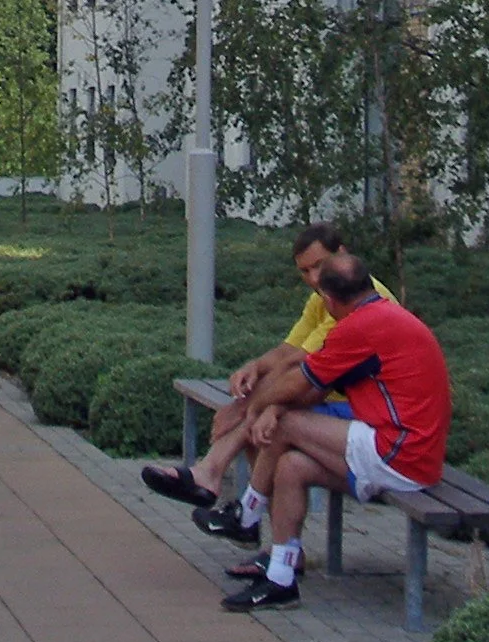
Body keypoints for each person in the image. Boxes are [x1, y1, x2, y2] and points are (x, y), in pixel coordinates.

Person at [139, 223, 395, 546]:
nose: (314, 279)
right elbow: (289, 350)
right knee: (262, 427)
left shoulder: (354, 300)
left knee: (269, 425)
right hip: (338, 402)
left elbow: (301, 363)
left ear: (342, 254)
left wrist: (246, 407)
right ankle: (272, 548)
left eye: (319, 265)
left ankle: (221, 485)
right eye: (305, 270)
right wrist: (254, 367)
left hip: (372, 422)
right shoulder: (323, 297)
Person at [222, 256, 451, 611]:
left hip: (399, 454)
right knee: (292, 467)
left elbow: (298, 382)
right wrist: (272, 407)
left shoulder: (358, 328)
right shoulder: (383, 316)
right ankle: (280, 579)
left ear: (328, 299)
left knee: (284, 427)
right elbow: (312, 388)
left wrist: (249, 409)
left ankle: (246, 514)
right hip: (411, 454)